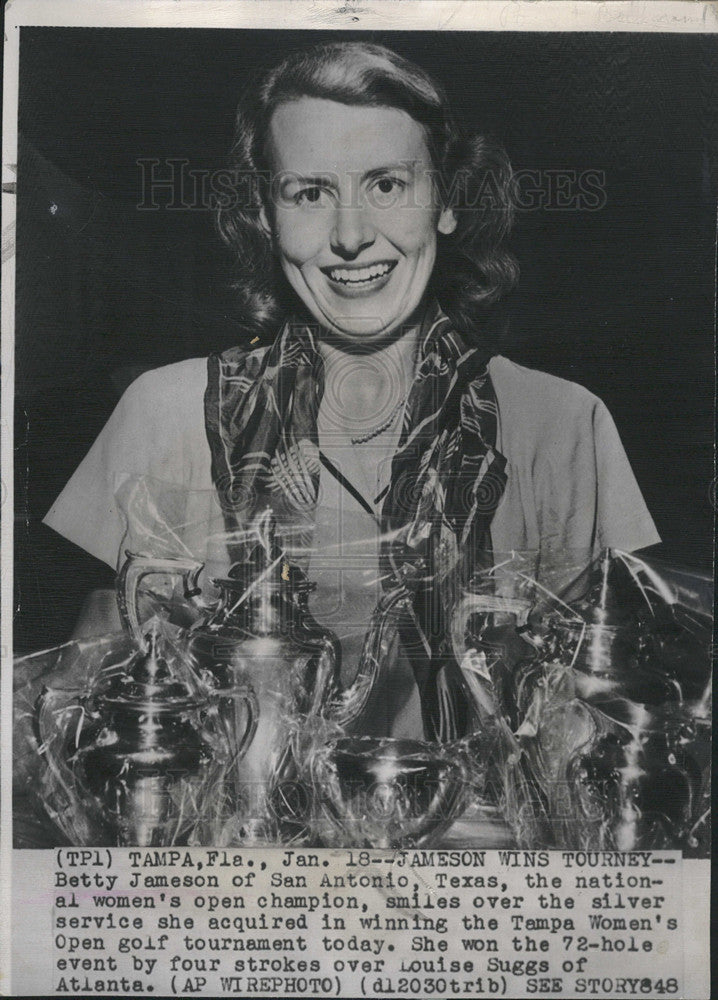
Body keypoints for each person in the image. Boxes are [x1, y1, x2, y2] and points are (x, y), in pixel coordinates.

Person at [44, 41, 659, 740]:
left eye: (387, 185)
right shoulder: (165, 414)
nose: (350, 236)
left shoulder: (564, 424)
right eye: (309, 193)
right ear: (264, 214)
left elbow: (603, 729)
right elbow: (72, 722)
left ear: (448, 202)